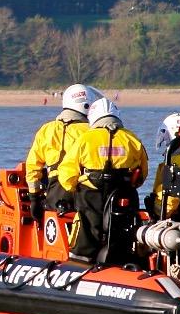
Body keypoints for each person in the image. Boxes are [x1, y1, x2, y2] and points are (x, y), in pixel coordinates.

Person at [54, 97, 147, 264]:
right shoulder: (132, 139)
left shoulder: (85, 139)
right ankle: (120, 259)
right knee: (122, 227)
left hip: (91, 193)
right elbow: (142, 171)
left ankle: (82, 261)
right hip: (122, 193)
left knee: (88, 227)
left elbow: (67, 172)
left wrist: (73, 188)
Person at [22, 84, 101, 208]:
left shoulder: (47, 130)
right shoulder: (93, 132)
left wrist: (34, 199)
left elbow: (32, 167)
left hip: (55, 193)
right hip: (86, 192)